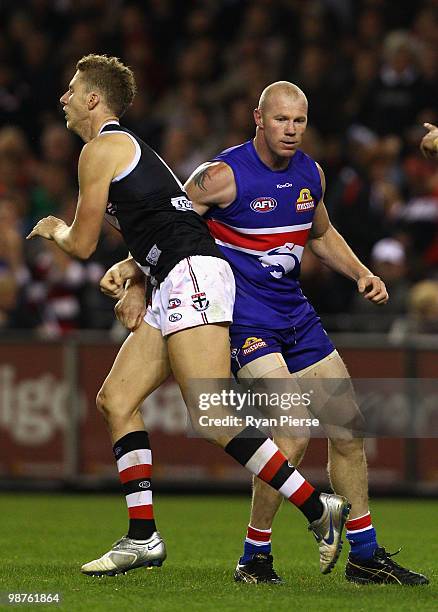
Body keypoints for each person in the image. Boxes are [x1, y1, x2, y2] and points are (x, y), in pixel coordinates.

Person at [27, 56, 349, 578]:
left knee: (212, 416)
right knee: (116, 400)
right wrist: (140, 278)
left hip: (192, 275)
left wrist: (54, 230)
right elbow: (161, 223)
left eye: (71, 88)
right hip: (176, 275)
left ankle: (318, 508)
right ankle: (143, 537)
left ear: (92, 99)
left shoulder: (100, 148)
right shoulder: (121, 149)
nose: (62, 97)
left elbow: (82, 243)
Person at [108, 81, 428, 586]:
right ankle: (254, 557)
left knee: (349, 427)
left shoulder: (310, 174)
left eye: (299, 121)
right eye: (281, 120)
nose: (291, 130)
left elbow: (319, 234)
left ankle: (365, 557)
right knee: (293, 431)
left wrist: (360, 272)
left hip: (295, 315)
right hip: (243, 321)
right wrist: (132, 273)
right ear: (258, 119)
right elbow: (170, 231)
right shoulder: (221, 175)